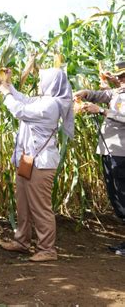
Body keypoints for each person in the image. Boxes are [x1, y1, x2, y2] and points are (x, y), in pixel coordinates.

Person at [0, 68, 74, 262]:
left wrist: (6, 94)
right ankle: (22, 241)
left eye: (42, 80)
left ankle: (47, 249)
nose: (39, 82)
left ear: (51, 82)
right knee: (23, 203)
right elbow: (23, 99)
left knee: (40, 207)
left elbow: (20, 110)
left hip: (41, 164)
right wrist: (8, 84)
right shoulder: (43, 100)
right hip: (28, 160)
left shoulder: (51, 105)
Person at [74, 59, 125, 256]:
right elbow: (104, 94)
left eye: (122, 77)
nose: (119, 80)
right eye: (119, 76)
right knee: (117, 196)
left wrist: (102, 111)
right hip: (111, 151)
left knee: (122, 197)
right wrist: (86, 94)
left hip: (121, 153)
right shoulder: (118, 92)